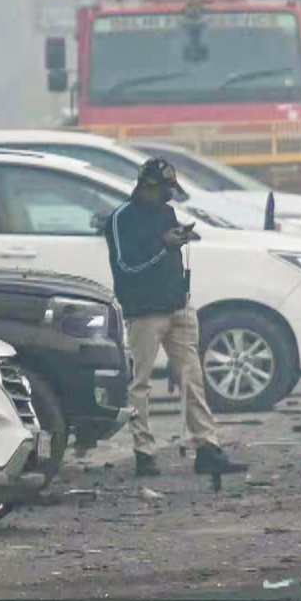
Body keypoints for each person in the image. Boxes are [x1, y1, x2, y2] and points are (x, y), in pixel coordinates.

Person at [106, 158, 245, 478]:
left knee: (192, 378)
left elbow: (168, 254)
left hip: (178, 307)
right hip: (144, 312)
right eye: (166, 190)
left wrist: (176, 241)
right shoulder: (120, 219)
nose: (170, 197)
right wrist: (163, 245)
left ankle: (207, 447)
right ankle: (143, 452)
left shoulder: (165, 213)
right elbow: (127, 266)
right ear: (148, 186)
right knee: (140, 384)